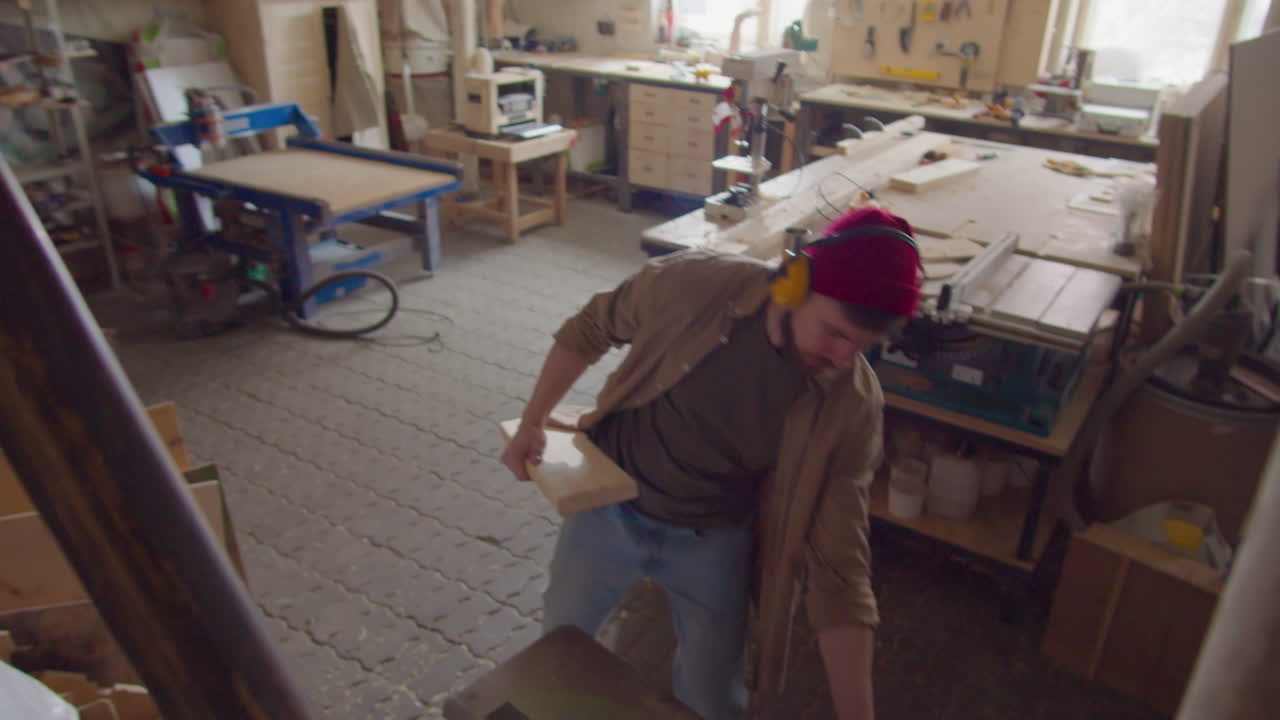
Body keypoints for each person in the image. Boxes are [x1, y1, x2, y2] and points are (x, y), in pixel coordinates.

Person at [500, 207, 922, 719]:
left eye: (862, 346)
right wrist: (532, 422)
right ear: (793, 283)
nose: (841, 358)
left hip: (715, 537)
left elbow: (841, 571)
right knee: (560, 647)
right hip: (609, 508)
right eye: (834, 333)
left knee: (713, 697)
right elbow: (590, 327)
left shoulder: (849, 405)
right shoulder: (691, 286)